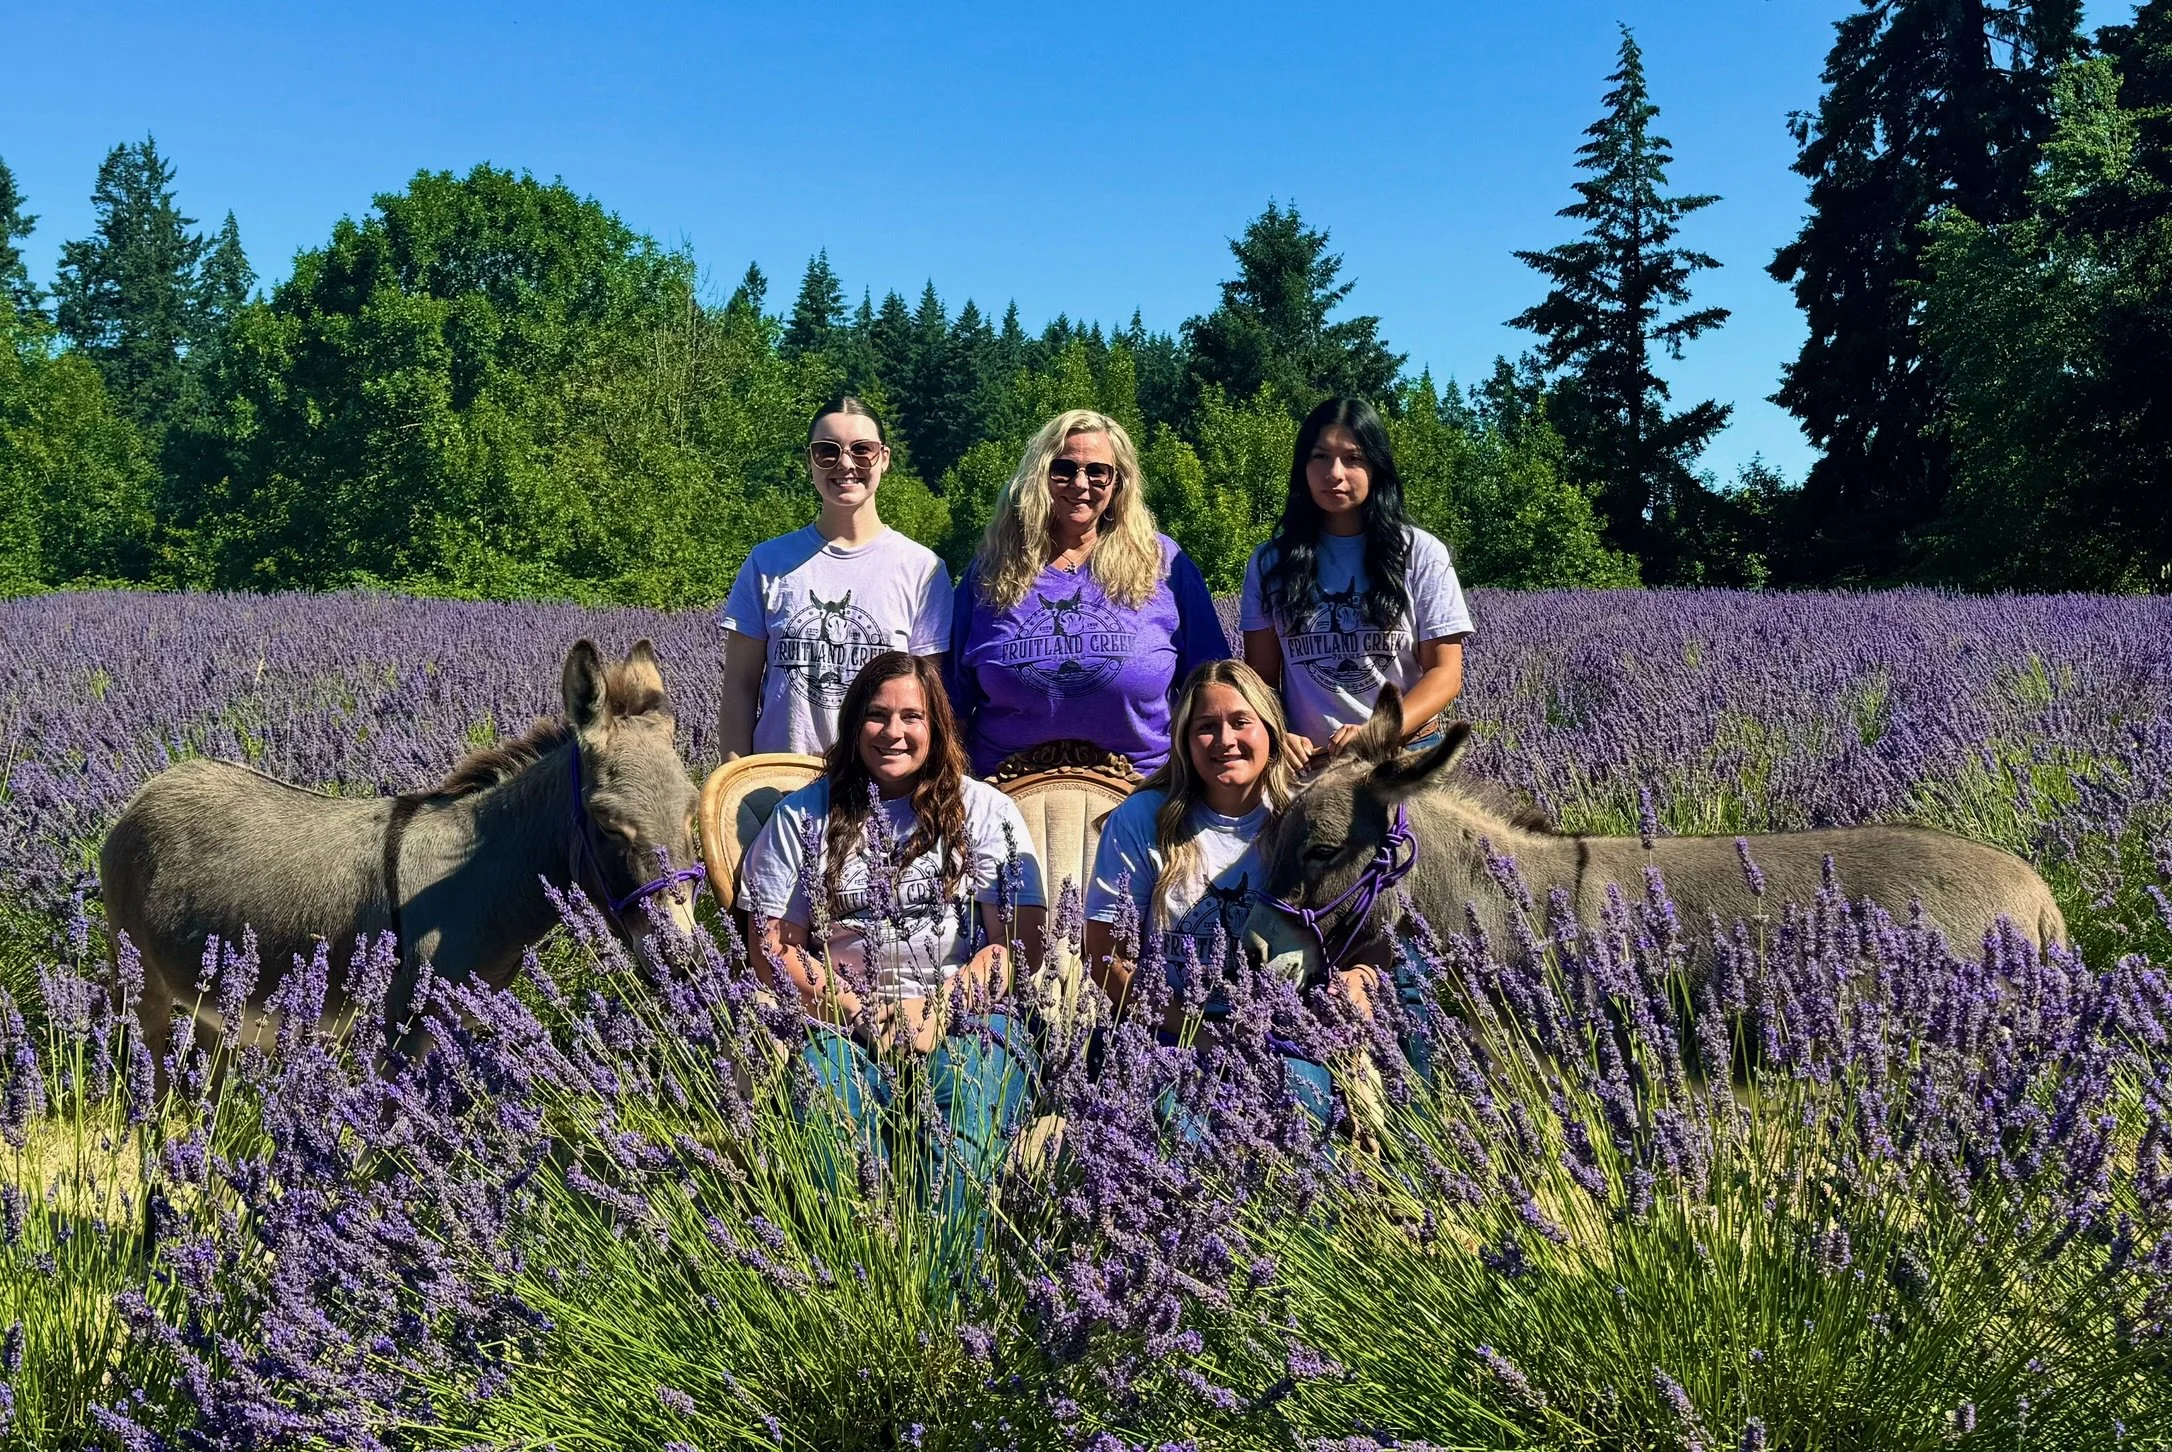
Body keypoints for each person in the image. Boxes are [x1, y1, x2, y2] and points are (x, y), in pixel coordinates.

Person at [739, 651, 1046, 1228]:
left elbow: (1017, 948)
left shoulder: (985, 811)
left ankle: (948, 1293)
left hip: (972, 1015)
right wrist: (859, 1012)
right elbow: (773, 950)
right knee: (832, 1120)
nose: (894, 732)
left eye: (913, 717)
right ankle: (853, 1282)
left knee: (965, 1112)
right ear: (855, 725)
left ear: (937, 727)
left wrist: (942, 1007)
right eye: (877, 716)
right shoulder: (803, 817)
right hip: (837, 1017)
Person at [1083, 659, 1371, 1127]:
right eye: (1205, 727)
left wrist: (1360, 978)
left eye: (1241, 722)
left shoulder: (1302, 817)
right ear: (1183, 740)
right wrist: (1199, 1033)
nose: (1224, 741)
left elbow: (1367, 929)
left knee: (1298, 1129)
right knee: (1183, 1139)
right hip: (1167, 1036)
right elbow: (1102, 957)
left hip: (1284, 1038)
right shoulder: (1142, 821)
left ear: (1271, 731)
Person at [949, 409, 1228, 778]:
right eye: (1063, 469)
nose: (1081, 484)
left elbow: (1215, 686)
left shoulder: (1165, 565)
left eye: (1098, 472)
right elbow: (949, 707)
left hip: (1139, 796)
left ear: (1118, 484)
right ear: (1039, 476)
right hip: (1007, 795)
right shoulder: (989, 571)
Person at [1240, 397, 1473, 773]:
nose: (1335, 472)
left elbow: (1445, 673)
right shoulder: (1270, 564)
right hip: (1311, 766)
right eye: (1321, 457)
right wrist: (1276, 731)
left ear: (1376, 467)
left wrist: (1378, 731)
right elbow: (1262, 680)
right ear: (1303, 467)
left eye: (1353, 458)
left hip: (1405, 757)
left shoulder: (1419, 553)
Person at [718, 397, 951, 760]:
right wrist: (735, 786)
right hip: (779, 783)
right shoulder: (768, 562)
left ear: (884, 458)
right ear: (809, 462)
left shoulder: (922, 569)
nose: (845, 463)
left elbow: (928, 699)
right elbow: (740, 686)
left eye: (863, 450)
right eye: (827, 451)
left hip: (880, 786)